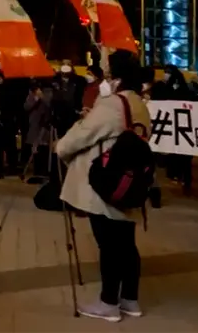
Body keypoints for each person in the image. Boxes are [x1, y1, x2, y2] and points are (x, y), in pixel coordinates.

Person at [56, 50, 150, 322]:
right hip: (130, 182)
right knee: (126, 244)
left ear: (116, 78)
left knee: (108, 244)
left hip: (105, 182)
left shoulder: (111, 104)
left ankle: (108, 302)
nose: (103, 78)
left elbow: (83, 135)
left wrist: (60, 146)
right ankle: (129, 299)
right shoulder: (139, 103)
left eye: (107, 74)